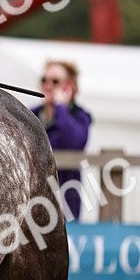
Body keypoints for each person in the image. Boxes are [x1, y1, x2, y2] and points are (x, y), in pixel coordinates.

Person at [32, 59, 92, 219]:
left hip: (65, 202)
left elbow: (74, 144)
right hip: (33, 200)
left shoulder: (80, 116)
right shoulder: (31, 114)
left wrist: (60, 108)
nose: (48, 85)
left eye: (55, 81)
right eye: (44, 80)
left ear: (69, 86)